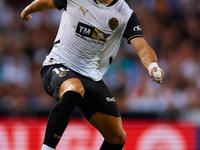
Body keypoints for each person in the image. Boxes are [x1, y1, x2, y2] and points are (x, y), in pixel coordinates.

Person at [21, 0, 164, 149]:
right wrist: (28, 10)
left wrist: (153, 66)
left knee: (117, 136)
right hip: (58, 65)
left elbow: (142, 47)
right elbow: (46, 3)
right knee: (74, 89)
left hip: (91, 77)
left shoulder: (124, 14)